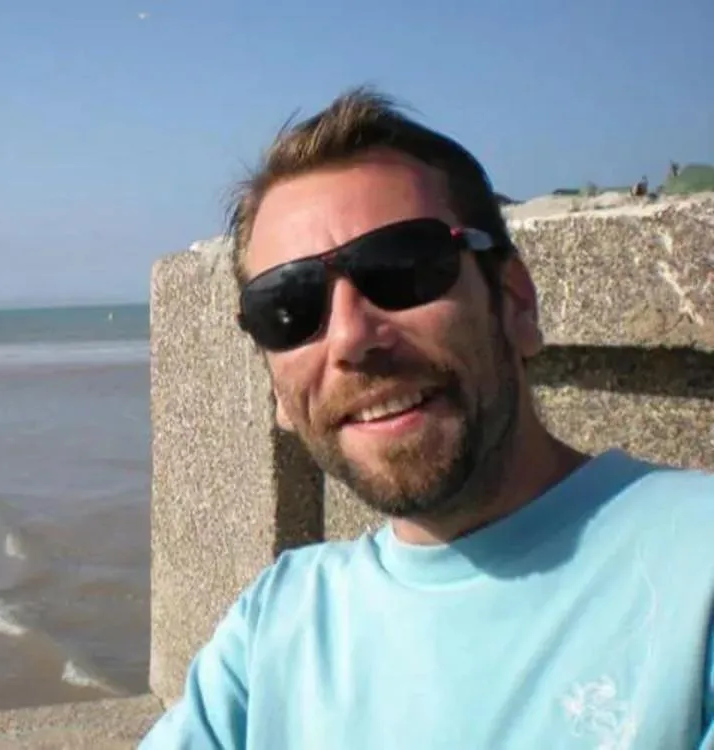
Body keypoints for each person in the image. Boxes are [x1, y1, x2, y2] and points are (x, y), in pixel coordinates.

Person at [139, 87, 714, 749]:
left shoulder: (694, 575)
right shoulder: (274, 626)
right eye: (288, 308)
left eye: (403, 268)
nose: (351, 338)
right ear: (274, 386)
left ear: (515, 303)